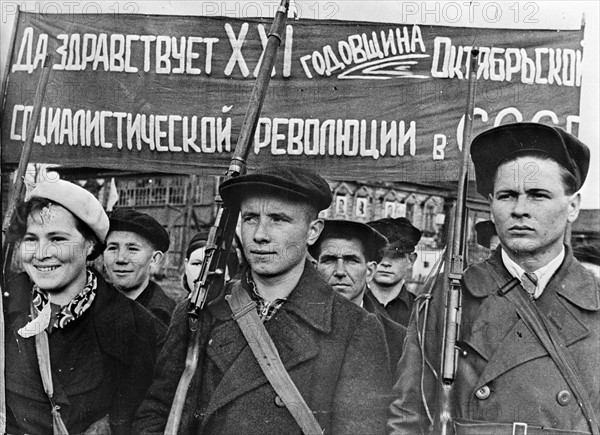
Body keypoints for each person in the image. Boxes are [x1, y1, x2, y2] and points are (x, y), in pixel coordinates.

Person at [134, 166, 392, 434]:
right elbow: (157, 411)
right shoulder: (199, 311)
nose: (259, 234)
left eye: (278, 219)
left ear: (313, 231)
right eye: (250, 218)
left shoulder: (353, 327)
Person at [389, 122, 600, 434]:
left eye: (538, 195)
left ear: (573, 207)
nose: (519, 210)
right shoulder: (449, 294)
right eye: (506, 196)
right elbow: (408, 414)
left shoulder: (594, 300)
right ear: (490, 206)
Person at [4, 179, 165, 435]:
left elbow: (144, 416)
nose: (42, 252)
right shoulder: (4, 309)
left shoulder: (136, 325)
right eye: (31, 239)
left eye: (57, 238)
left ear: (90, 245)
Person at [310, 219, 407, 375]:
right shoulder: (294, 325)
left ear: (370, 271)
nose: (340, 271)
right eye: (330, 260)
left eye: (351, 260)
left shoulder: (398, 339)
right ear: (315, 269)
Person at [103, 208, 175, 326]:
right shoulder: (88, 306)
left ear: (154, 259)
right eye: (112, 248)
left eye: (132, 249)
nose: (120, 259)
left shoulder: (167, 316)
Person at [366, 217, 422, 327]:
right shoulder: (351, 304)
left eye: (396, 256)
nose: (386, 263)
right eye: (380, 255)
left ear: (411, 260)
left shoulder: (420, 311)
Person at [182, 228, 241, 294]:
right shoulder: (179, 304)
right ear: (186, 266)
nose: (203, 272)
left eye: (213, 265)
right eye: (196, 264)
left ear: (228, 274)